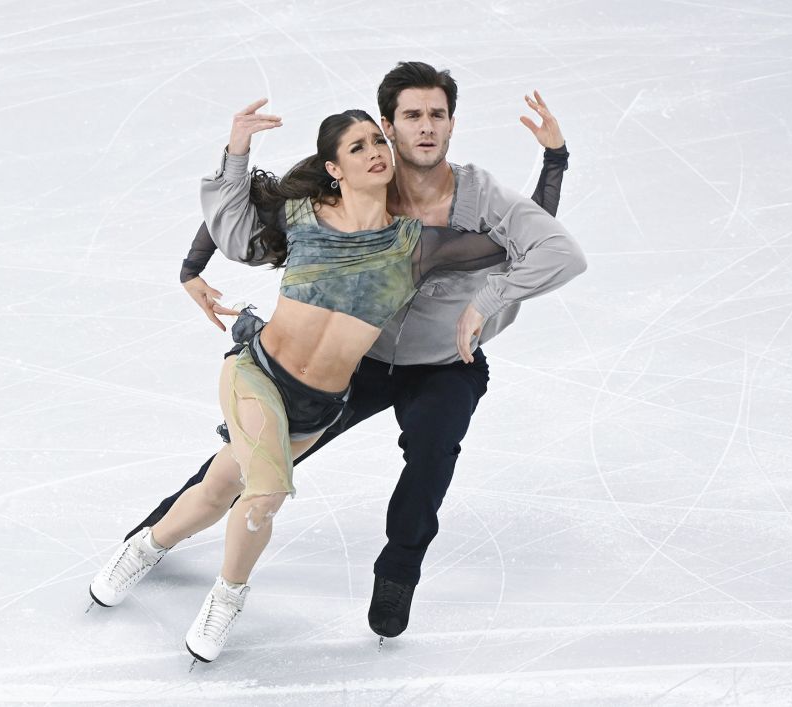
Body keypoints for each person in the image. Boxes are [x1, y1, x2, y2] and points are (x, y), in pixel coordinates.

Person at [94, 64, 583, 658]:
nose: (417, 131)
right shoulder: (320, 202)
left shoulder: (428, 237)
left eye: (435, 115)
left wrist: (550, 168)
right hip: (312, 366)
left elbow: (530, 237)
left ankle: (395, 574)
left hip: (417, 371)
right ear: (382, 130)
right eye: (401, 122)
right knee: (254, 478)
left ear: (452, 123)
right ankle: (172, 550)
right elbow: (251, 210)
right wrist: (190, 267)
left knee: (420, 458)